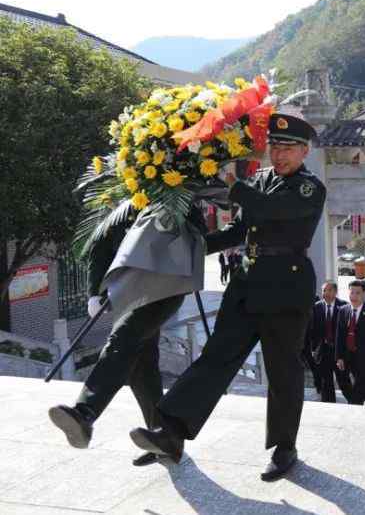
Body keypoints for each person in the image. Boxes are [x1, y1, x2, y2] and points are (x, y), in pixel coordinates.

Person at [128, 113, 326, 482]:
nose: (279, 154)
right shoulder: (262, 180)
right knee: (216, 357)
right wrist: (194, 245)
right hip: (246, 283)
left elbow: (272, 211)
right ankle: (170, 431)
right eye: (274, 147)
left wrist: (233, 185)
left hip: (286, 286)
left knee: (283, 370)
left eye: (287, 148)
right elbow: (240, 228)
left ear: (304, 151)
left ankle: (284, 448)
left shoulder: (308, 188)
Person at [48, 206, 205, 466]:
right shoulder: (121, 193)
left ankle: (85, 412)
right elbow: (101, 243)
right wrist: (93, 292)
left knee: (122, 340)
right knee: (141, 368)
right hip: (130, 291)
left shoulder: (179, 193)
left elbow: (198, 236)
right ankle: (166, 440)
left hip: (165, 288)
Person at [306, 281, 348, 403]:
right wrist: (314, 349)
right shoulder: (317, 307)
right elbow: (312, 330)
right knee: (326, 381)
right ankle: (329, 405)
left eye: (329, 290)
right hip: (323, 350)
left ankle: (354, 402)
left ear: (335, 292)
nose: (326, 293)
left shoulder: (344, 306)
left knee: (343, 380)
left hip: (338, 351)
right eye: (324, 290)